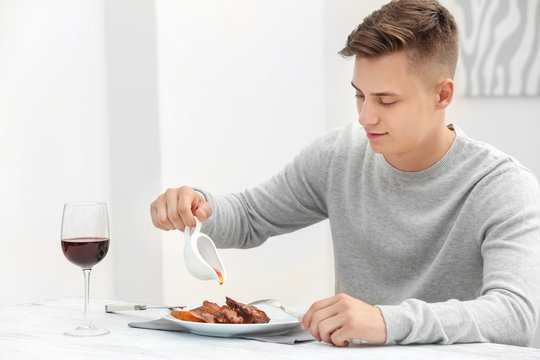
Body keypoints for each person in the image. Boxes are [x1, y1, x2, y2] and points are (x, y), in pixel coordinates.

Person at [150, 0, 540, 347]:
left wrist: (387, 321)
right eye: (359, 94)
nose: (365, 116)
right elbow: (250, 218)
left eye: (387, 100)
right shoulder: (340, 155)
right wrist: (196, 206)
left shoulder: (503, 187)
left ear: (442, 95)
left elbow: (516, 315)